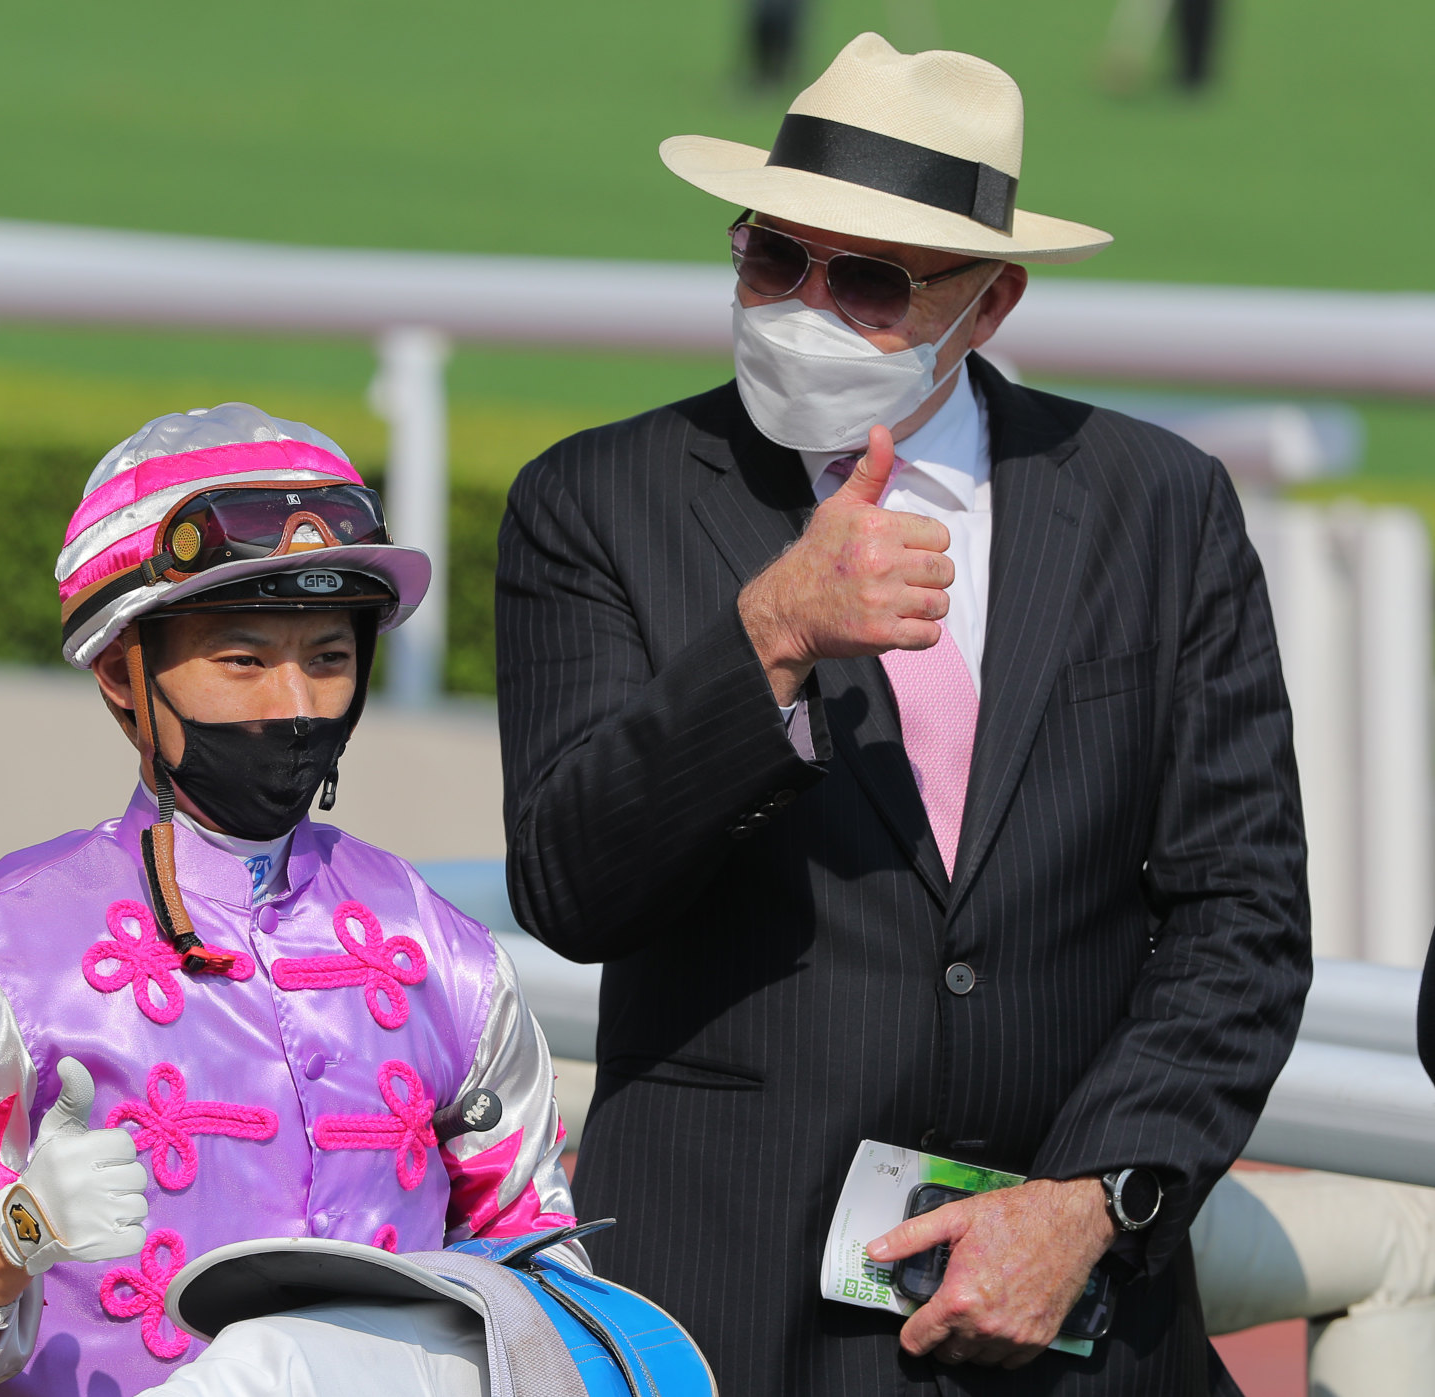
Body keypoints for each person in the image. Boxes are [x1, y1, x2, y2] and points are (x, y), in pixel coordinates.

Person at [495, 32, 1308, 1396]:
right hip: (727, 1306)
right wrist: (765, 638)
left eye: (865, 281)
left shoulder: (1155, 505)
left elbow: (1238, 914)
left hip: (1068, 1314)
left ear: (986, 304)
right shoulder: (592, 500)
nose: (800, 307)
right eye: (770, 259)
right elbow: (571, 885)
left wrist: (1087, 1202)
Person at [0, 405, 584, 1395]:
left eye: (329, 658)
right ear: (121, 673)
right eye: (244, 659)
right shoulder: (5, 952)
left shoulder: (445, 955)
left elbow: (543, 1280)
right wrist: (8, 1236)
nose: (295, 705)